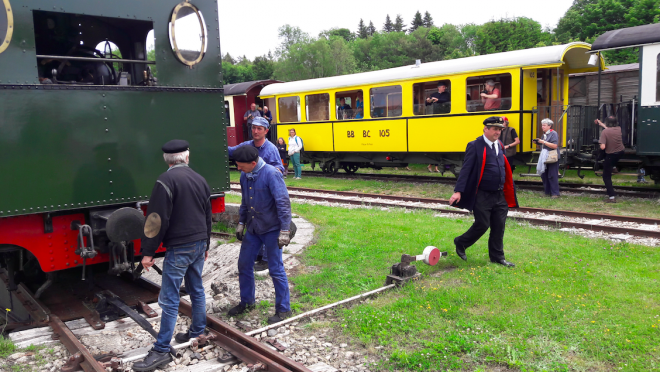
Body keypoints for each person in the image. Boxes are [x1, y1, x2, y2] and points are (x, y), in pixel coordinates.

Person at [133, 140, 212, 371]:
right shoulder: (200, 178)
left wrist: (148, 252)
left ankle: (161, 349)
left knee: (169, 298)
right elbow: (207, 214)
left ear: (166, 160)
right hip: (198, 243)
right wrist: (206, 243)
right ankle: (198, 331)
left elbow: (156, 219)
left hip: (180, 246)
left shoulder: (165, 181)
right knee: (196, 288)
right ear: (187, 157)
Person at [230, 146, 292, 324]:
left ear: (253, 163)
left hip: (272, 230)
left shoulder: (271, 174)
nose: (239, 169)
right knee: (244, 264)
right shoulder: (245, 175)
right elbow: (244, 201)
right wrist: (241, 223)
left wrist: (285, 231)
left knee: (276, 269)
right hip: (254, 229)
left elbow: (283, 203)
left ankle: (283, 309)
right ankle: (247, 302)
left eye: (241, 166)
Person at [449, 117, 518, 268]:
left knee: (499, 226)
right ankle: (461, 242)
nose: (497, 132)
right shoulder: (475, 145)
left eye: (500, 129)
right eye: (494, 129)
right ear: (485, 129)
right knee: (483, 223)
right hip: (482, 194)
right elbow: (466, 169)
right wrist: (458, 191)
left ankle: (498, 258)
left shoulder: (500, 145)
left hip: (499, 194)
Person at [228, 117, 284, 272]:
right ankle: (259, 255)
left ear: (266, 131)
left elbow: (279, 168)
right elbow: (231, 151)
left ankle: (267, 259)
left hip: (265, 191)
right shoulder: (246, 145)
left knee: (268, 223)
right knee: (254, 221)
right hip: (250, 188)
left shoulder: (271, 149)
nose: (256, 131)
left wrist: (267, 177)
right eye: (253, 128)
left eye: (260, 128)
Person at [595, 116, 625, 203]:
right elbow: (608, 129)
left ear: (607, 122)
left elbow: (603, 147)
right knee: (612, 160)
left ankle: (612, 197)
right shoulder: (618, 129)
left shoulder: (605, 132)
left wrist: (600, 142)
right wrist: (600, 123)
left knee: (606, 176)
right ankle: (614, 167)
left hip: (611, 154)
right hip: (621, 152)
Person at [535, 118, 560, 198]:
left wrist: (543, 142)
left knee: (552, 175)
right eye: (542, 125)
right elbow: (544, 145)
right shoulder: (544, 135)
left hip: (552, 156)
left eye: (544, 125)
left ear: (549, 126)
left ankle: (555, 193)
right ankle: (547, 192)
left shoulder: (554, 133)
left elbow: (555, 146)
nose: (542, 127)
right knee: (544, 175)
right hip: (545, 157)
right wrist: (538, 142)